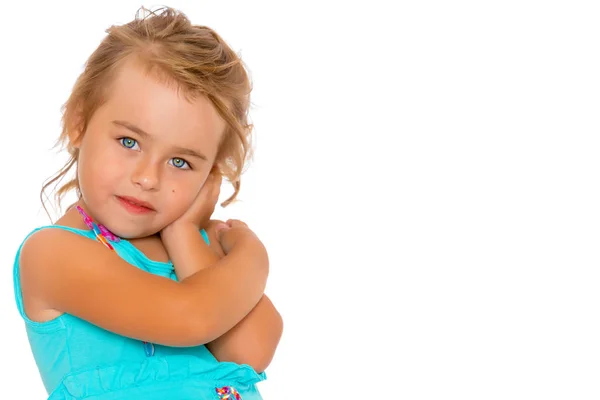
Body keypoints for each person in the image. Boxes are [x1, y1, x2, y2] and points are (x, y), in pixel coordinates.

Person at [12, 6, 283, 400]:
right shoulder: (53, 253)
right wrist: (255, 255)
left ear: (211, 173)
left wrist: (185, 233)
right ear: (79, 121)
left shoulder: (197, 248)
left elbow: (249, 352)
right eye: (129, 142)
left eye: (180, 162)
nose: (147, 178)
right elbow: (191, 317)